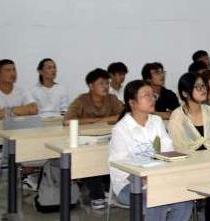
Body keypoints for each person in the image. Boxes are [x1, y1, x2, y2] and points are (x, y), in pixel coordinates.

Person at [108, 80, 192, 220]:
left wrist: (161, 178)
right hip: (129, 185)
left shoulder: (157, 121)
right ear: (132, 102)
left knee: (184, 202)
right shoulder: (121, 129)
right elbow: (120, 167)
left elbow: (168, 152)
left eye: (153, 95)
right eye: (146, 95)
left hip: (157, 180)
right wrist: (145, 180)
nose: (152, 99)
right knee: (155, 203)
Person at [63, 68, 123, 208]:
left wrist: (98, 120)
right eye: (101, 83)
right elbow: (67, 121)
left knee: (114, 154)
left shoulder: (112, 99)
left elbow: (124, 115)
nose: (105, 86)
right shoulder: (81, 100)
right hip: (87, 141)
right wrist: (97, 120)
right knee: (90, 159)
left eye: (107, 83)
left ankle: (109, 189)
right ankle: (96, 195)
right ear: (91, 85)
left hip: (107, 139)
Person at [168, 72, 210, 152]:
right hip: (188, 159)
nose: (203, 89)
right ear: (185, 93)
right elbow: (178, 149)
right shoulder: (177, 116)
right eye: (198, 87)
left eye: (203, 85)